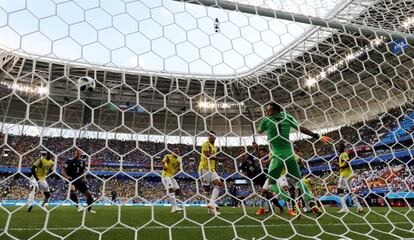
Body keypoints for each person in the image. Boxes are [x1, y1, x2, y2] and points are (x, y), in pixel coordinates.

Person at [257, 102, 332, 215]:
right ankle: (310, 201)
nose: (267, 113)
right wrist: (317, 136)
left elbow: (259, 131)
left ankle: (290, 201)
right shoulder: (287, 117)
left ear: (276, 111)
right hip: (290, 154)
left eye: (269, 111)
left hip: (277, 155)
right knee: (299, 179)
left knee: (271, 182)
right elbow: (301, 128)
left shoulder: (266, 120)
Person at [237, 145, 283, 215]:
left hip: (261, 175)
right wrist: (247, 177)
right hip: (256, 179)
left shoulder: (249, 157)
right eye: (241, 155)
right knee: (268, 194)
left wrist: (256, 146)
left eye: (244, 154)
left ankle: (264, 208)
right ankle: (276, 207)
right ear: (239, 156)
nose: (243, 156)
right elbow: (244, 174)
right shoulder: (241, 165)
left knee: (266, 193)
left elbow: (255, 152)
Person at [198, 131, 226, 215]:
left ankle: (211, 203)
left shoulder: (215, 147)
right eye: (209, 135)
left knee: (219, 183)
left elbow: (213, 160)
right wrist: (219, 159)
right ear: (208, 137)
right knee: (207, 190)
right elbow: (207, 155)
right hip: (204, 169)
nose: (211, 137)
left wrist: (216, 169)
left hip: (212, 170)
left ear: (215, 137)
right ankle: (211, 209)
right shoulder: (205, 144)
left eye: (212, 135)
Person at [336, 142, 364, 213]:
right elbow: (343, 164)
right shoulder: (341, 155)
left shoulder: (344, 154)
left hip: (344, 174)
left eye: (340, 147)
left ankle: (345, 208)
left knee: (339, 191)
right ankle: (359, 207)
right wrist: (337, 165)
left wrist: (339, 167)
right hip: (346, 174)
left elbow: (347, 163)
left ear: (343, 148)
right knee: (350, 192)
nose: (338, 148)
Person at [161, 147, 183, 213]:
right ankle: (175, 206)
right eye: (175, 151)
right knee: (170, 189)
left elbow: (178, 166)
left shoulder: (179, 159)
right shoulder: (168, 156)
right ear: (172, 152)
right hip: (165, 175)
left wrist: (178, 169)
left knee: (177, 190)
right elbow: (162, 162)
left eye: (177, 151)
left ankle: (173, 205)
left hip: (171, 176)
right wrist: (164, 167)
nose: (176, 152)